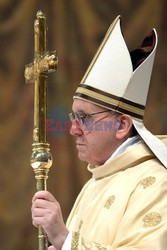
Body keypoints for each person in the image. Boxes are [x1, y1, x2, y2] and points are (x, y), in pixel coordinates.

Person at [31, 16, 167, 249]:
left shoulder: (157, 184)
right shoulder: (96, 181)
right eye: (73, 117)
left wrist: (65, 240)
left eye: (84, 118)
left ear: (122, 125)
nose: (73, 130)